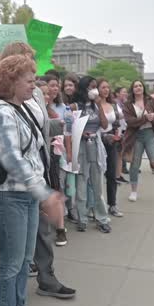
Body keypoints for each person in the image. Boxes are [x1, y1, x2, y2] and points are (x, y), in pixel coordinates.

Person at [0, 42, 75, 300]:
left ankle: (42, 281)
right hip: (8, 183)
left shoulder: (32, 91)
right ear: (12, 64)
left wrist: (63, 125)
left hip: (36, 170)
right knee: (13, 255)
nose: (34, 79)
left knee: (35, 239)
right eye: (27, 60)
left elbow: (36, 127)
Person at [0, 54, 66, 306]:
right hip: (8, 196)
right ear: (12, 81)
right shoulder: (2, 112)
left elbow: (32, 153)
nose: (34, 85)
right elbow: (12, 159)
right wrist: (44, 194)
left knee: (23, 258)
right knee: (12, 261)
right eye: (29, 80)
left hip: (24, 195)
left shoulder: (21, 108)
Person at [66, 76, 111, 233]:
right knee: (81, 184)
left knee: (97, 184)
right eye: (91, 87)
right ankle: (82, 218)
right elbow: (68, 129)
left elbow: (105, 126)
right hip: (81, 147)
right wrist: (80, 133)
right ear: (84, 88)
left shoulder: (96, 105)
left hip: (95, 145)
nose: (95, 90)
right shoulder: (74, 106)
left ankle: (102, 218)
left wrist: (99, 106)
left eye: (95, 87)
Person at [122, 80, 154, 205]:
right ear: (132, 89)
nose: (138, 88)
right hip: (136, 136)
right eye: (135, 86)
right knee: (135, 164)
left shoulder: (150, 100)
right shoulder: (128, 104)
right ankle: (134, 191)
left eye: (140, 85)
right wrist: (145, 118)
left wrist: (153, 118)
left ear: (143, 88)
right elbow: (130, 122)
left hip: (151, 134)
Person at [42, 74, 68, 246]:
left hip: (52, 153)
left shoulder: (51, 110)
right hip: (39, 155)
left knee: (55, 188)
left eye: (46, 93)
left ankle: (60, 229)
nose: (46, 96)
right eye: (42, 93)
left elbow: (61, 127)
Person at [97, 79, 124, 217]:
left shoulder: (113, 105)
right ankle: (96, 206)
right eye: (103, 87)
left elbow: (118, 123)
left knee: (112, 174)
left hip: (111, 142)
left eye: (108, 87)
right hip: (97, 140)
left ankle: (112, 205)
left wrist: (117, 134)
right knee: (97, 175)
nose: (106, 90)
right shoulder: (94, 106)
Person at [60, 73, 79, 224]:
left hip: (77, 141)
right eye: (65, 85)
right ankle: (65, 210)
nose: (68, 88)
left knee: (74, 178)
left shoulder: (80, 102)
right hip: (63, 144)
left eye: (71, 85)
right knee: (64, 179)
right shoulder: (62, 104)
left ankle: (73, 208)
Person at [114, 86, 130, 181]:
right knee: (117, 154)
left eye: (126, 92)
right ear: (117, 94)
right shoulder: (115, 104)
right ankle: (115, 174)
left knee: (120, 154)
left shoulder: (124, 104)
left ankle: (118, 175)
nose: (125, 94)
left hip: (124, 129)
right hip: (117, 130)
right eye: (123, 92)